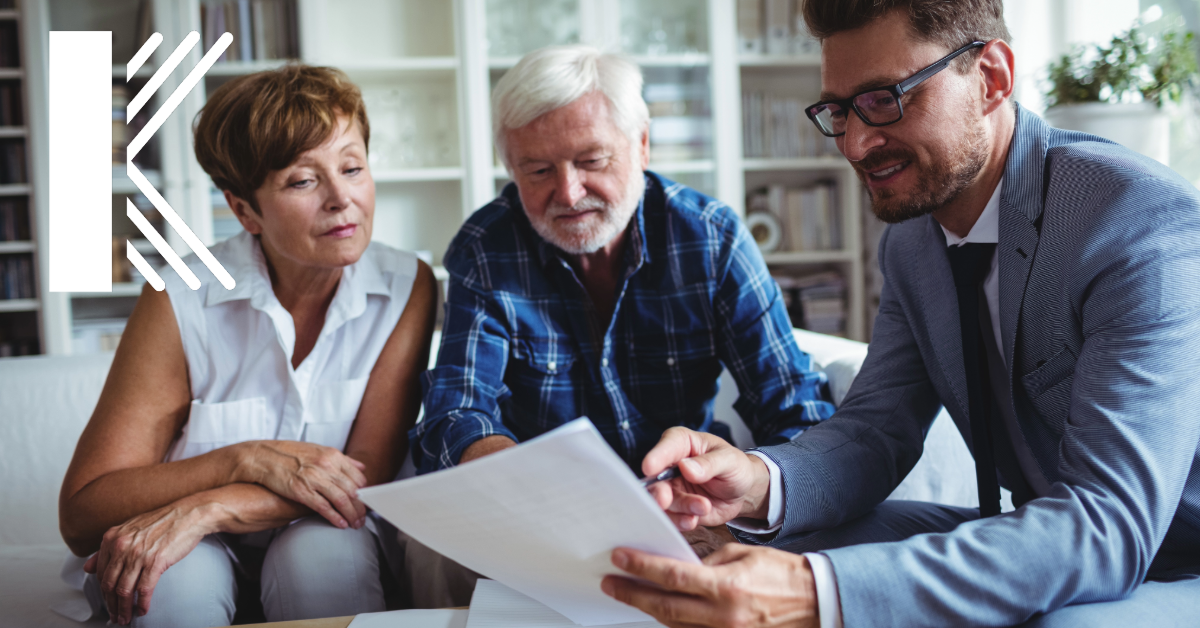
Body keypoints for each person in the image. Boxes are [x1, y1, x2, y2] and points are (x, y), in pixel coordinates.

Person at [598, 1, 1200, 627]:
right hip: (1038, 533)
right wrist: (754, 481)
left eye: (886, 99)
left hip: (1170, 555)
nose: (856, 144)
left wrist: (816, 592)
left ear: (991, 78)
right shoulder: (912, 242)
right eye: (839, 110)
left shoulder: (1135, 220)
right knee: (757, 547)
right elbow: (874, 430)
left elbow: (1109, 525)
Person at [58, 65, 437, 627]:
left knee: (321, 555)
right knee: (173, 584)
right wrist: (244, 460)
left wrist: (211, 506)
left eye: (352, 168)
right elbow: (84, 512)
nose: (342, 199)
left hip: (320, 531)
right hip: (191, 547)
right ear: (244, 211)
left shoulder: (408, 286)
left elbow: (363, 480)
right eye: (302, 181)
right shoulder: (179, 299)